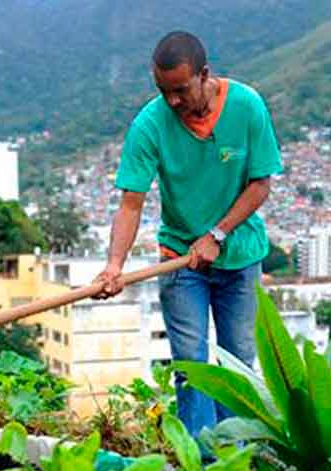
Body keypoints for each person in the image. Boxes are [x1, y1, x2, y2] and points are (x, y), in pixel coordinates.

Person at [93, 31, 283, 443]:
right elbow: (131, 202)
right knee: (191, 363)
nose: (173, 102)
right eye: (164, 92)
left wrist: (217, 234)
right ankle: (199, 460)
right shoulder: (150, 123)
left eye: (180, 90)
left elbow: (260, 184)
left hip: (240, 255)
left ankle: (235, 456)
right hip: (180, 258)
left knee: (236, 364)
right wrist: (113, 265)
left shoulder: (247, 107)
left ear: (205, 75)